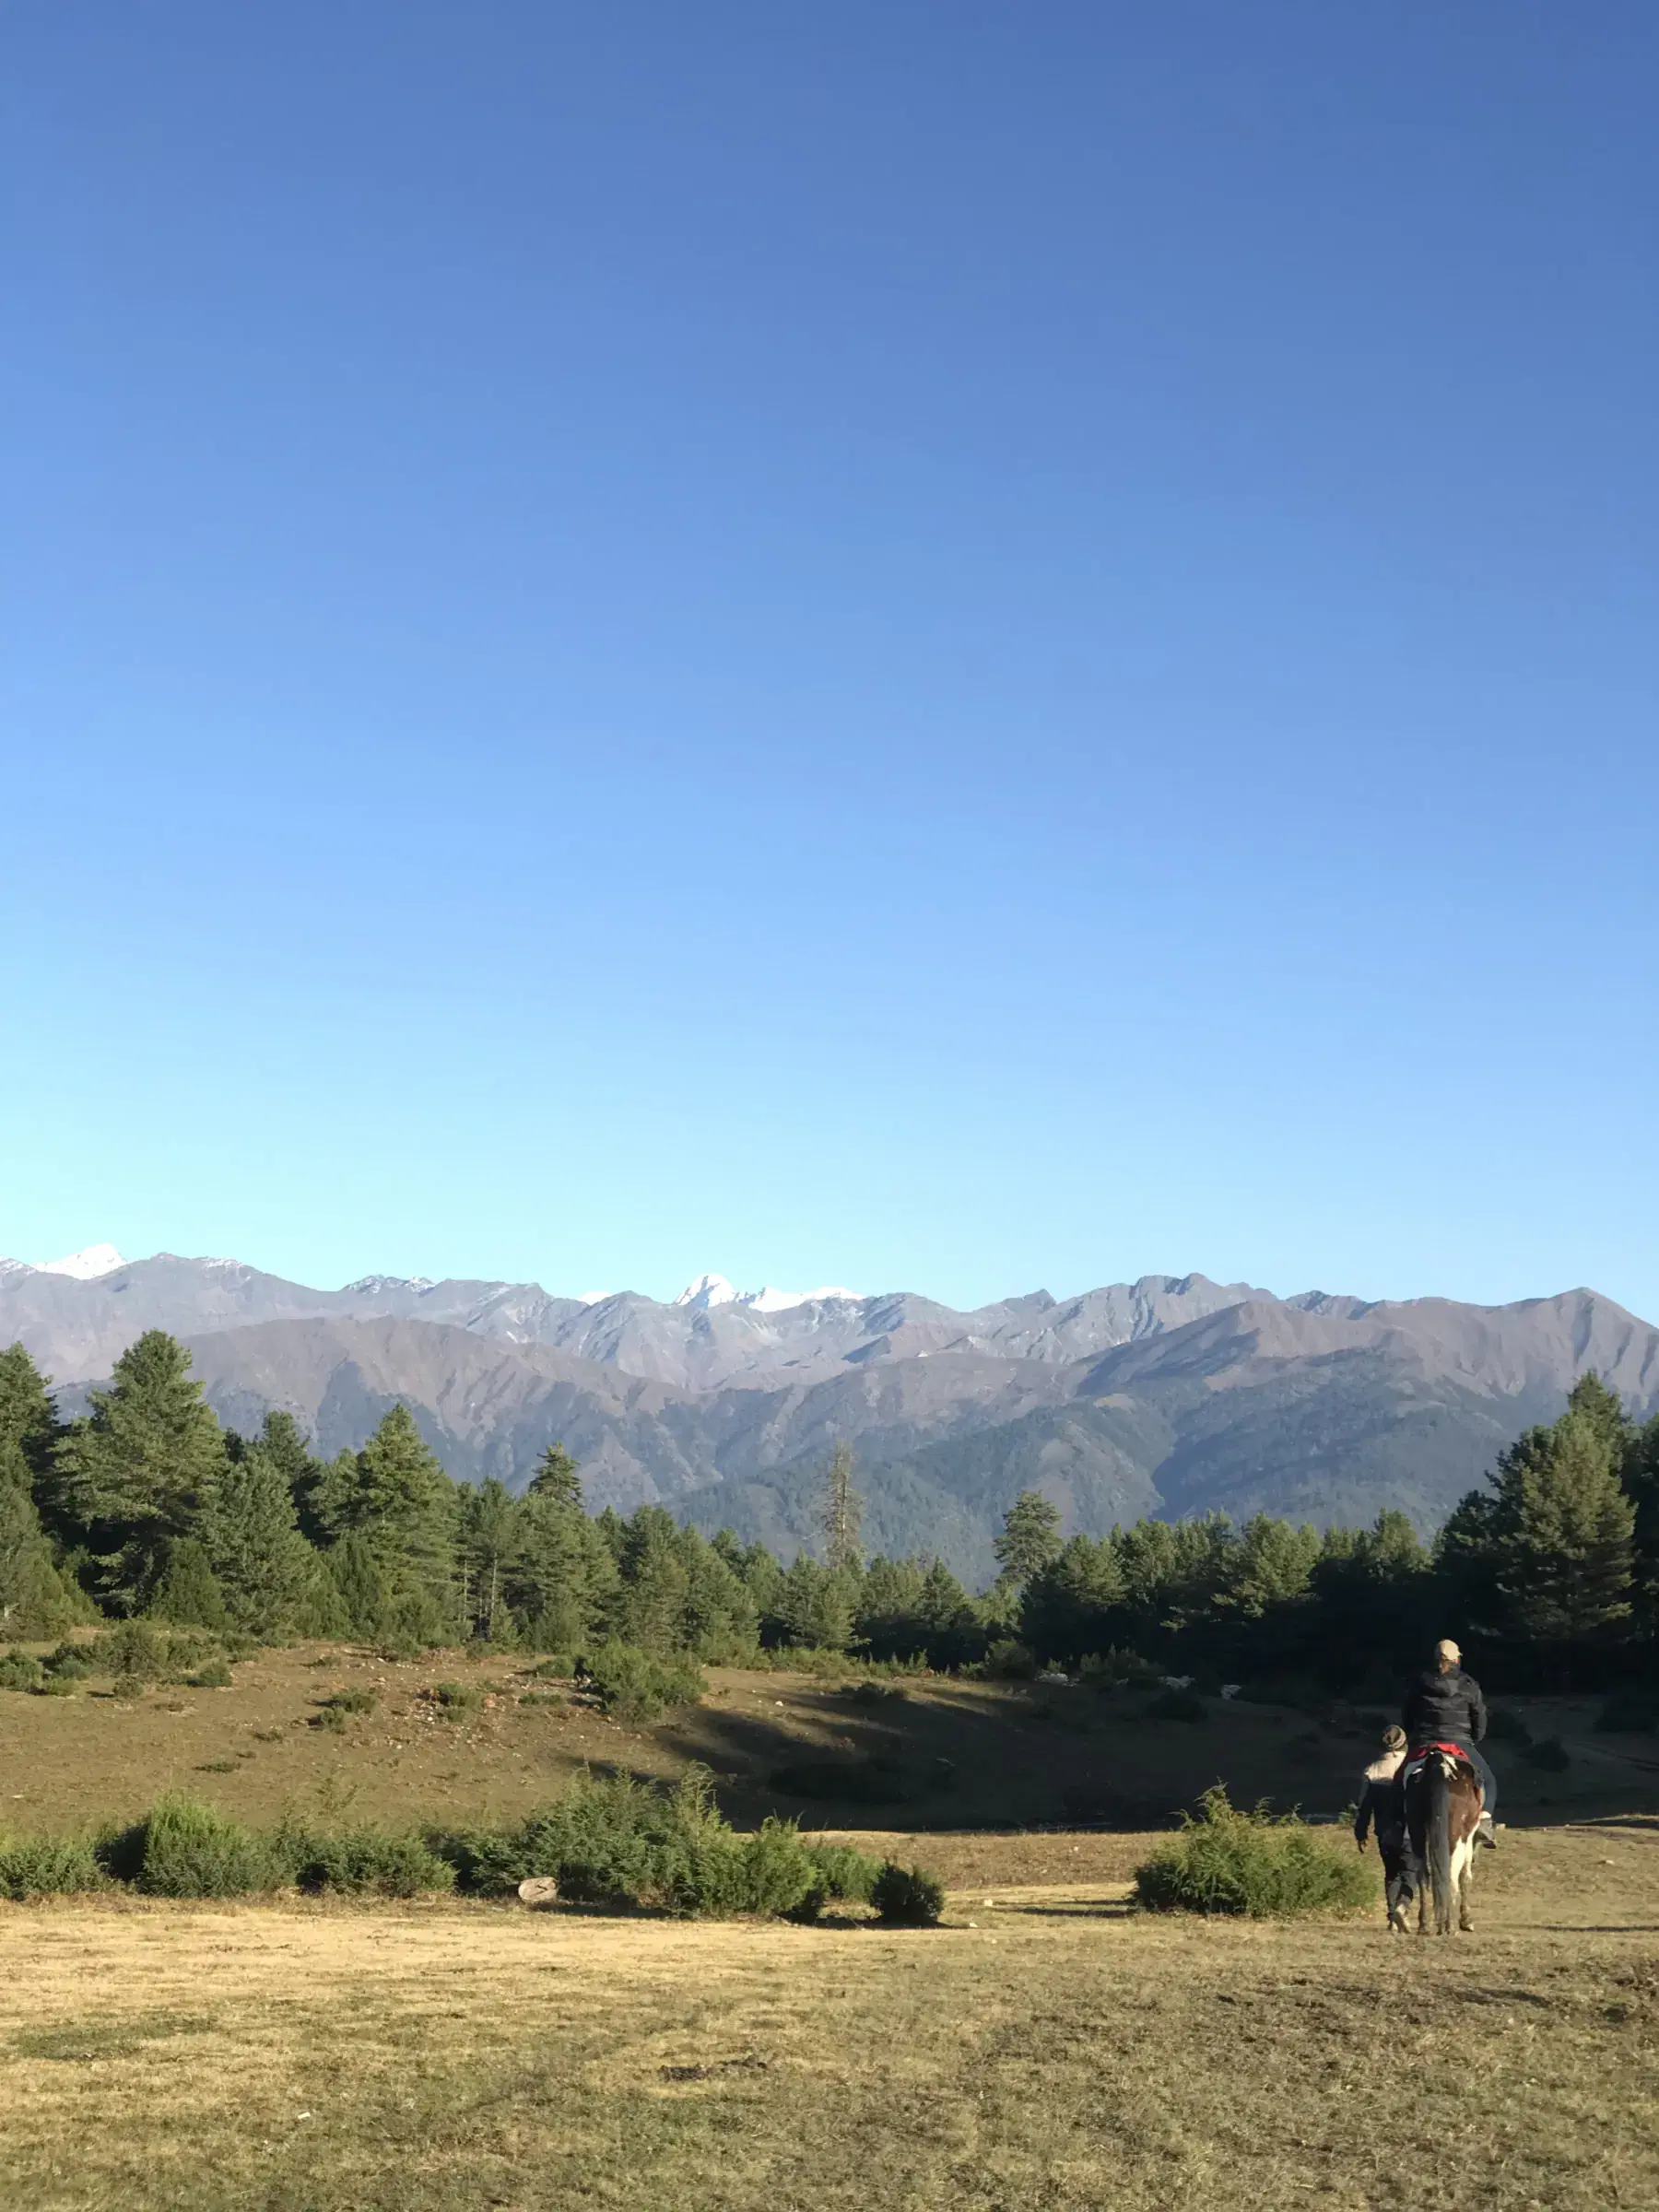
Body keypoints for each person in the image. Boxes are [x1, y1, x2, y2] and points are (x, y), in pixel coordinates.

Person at [1402, 1637, 1498, 1846]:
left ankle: (1396, 1825)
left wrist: (1413, 1737)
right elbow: (1479, 1718)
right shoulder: (1469, 1685)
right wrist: (1474, 1740)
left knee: (1399, 1781)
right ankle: (1484, 1822)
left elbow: (1408, 1714)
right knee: (1489, 1781)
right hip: (1460, 1741)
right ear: (1456, 1659)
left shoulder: (1419, 1681)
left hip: (1425, 1741)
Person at [1353, 1724, 1407, 1852]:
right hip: (1410, 1833)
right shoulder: (1412, 1768)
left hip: (1384, 1834)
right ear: (1404, 1743)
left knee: (1391, 1870)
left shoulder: (1371, 1771)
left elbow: (1364, 1807)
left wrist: (1361, 1833)